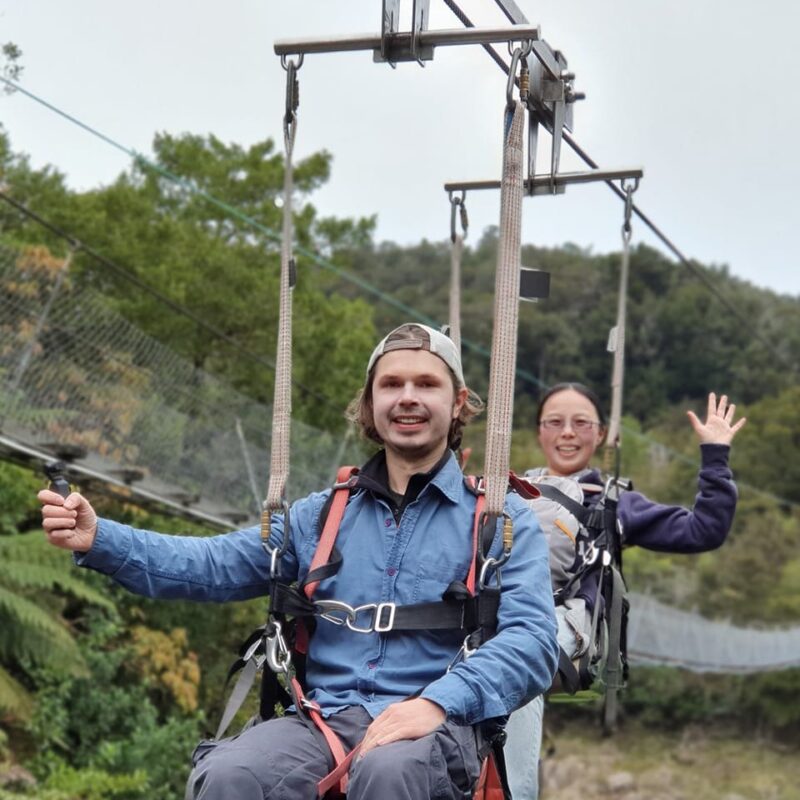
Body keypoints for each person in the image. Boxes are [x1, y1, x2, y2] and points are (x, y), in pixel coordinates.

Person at [39, 322, 559, 800]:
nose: (407, 398)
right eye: (391, 384)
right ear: (370, 403)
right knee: (230, 775)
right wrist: (99, 537)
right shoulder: (320, 517)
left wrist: (439, 702)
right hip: (323, 721)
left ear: (458, 402)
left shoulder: (498, 519)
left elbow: (532, 642)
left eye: (426, 384)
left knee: (388, 771)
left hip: (436, 724)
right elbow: (211, 565)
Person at [504, 382, 746, 800]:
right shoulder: (507, 491)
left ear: (600, 435)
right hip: (499, 620)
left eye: (581, 423)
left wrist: (715, 457)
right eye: (555, 423)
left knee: (516, 656)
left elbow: (703, 530)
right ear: (540, 432)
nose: (567, 433)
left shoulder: (614, 502)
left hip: (567, 631)